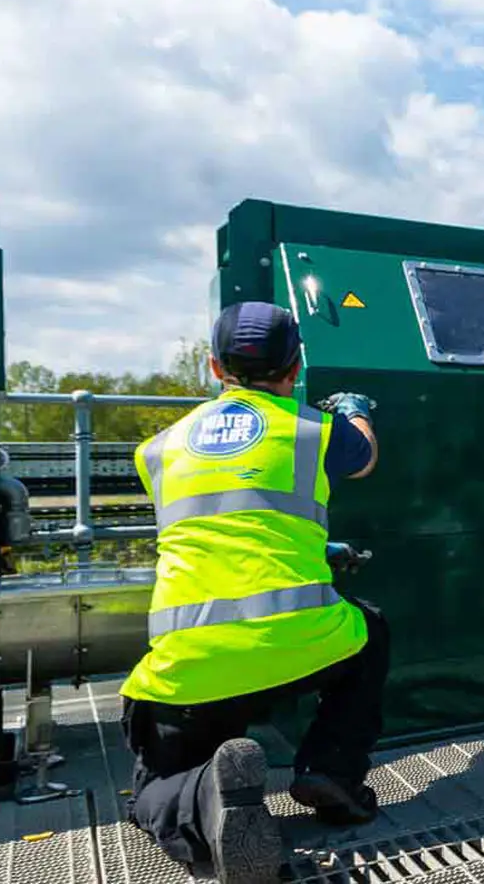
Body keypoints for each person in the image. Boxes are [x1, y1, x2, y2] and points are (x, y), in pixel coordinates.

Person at [120, 301, 389, 884]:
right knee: (370, 631)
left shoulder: (157, 449)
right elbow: (362, 453)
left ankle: (207, 797)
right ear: (295, 369)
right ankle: (332, 772)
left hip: (192, 672)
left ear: (215, 369)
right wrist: (354, 409)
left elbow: (228, 519)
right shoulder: (317, 432)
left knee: (151, 791)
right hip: (303, 647)